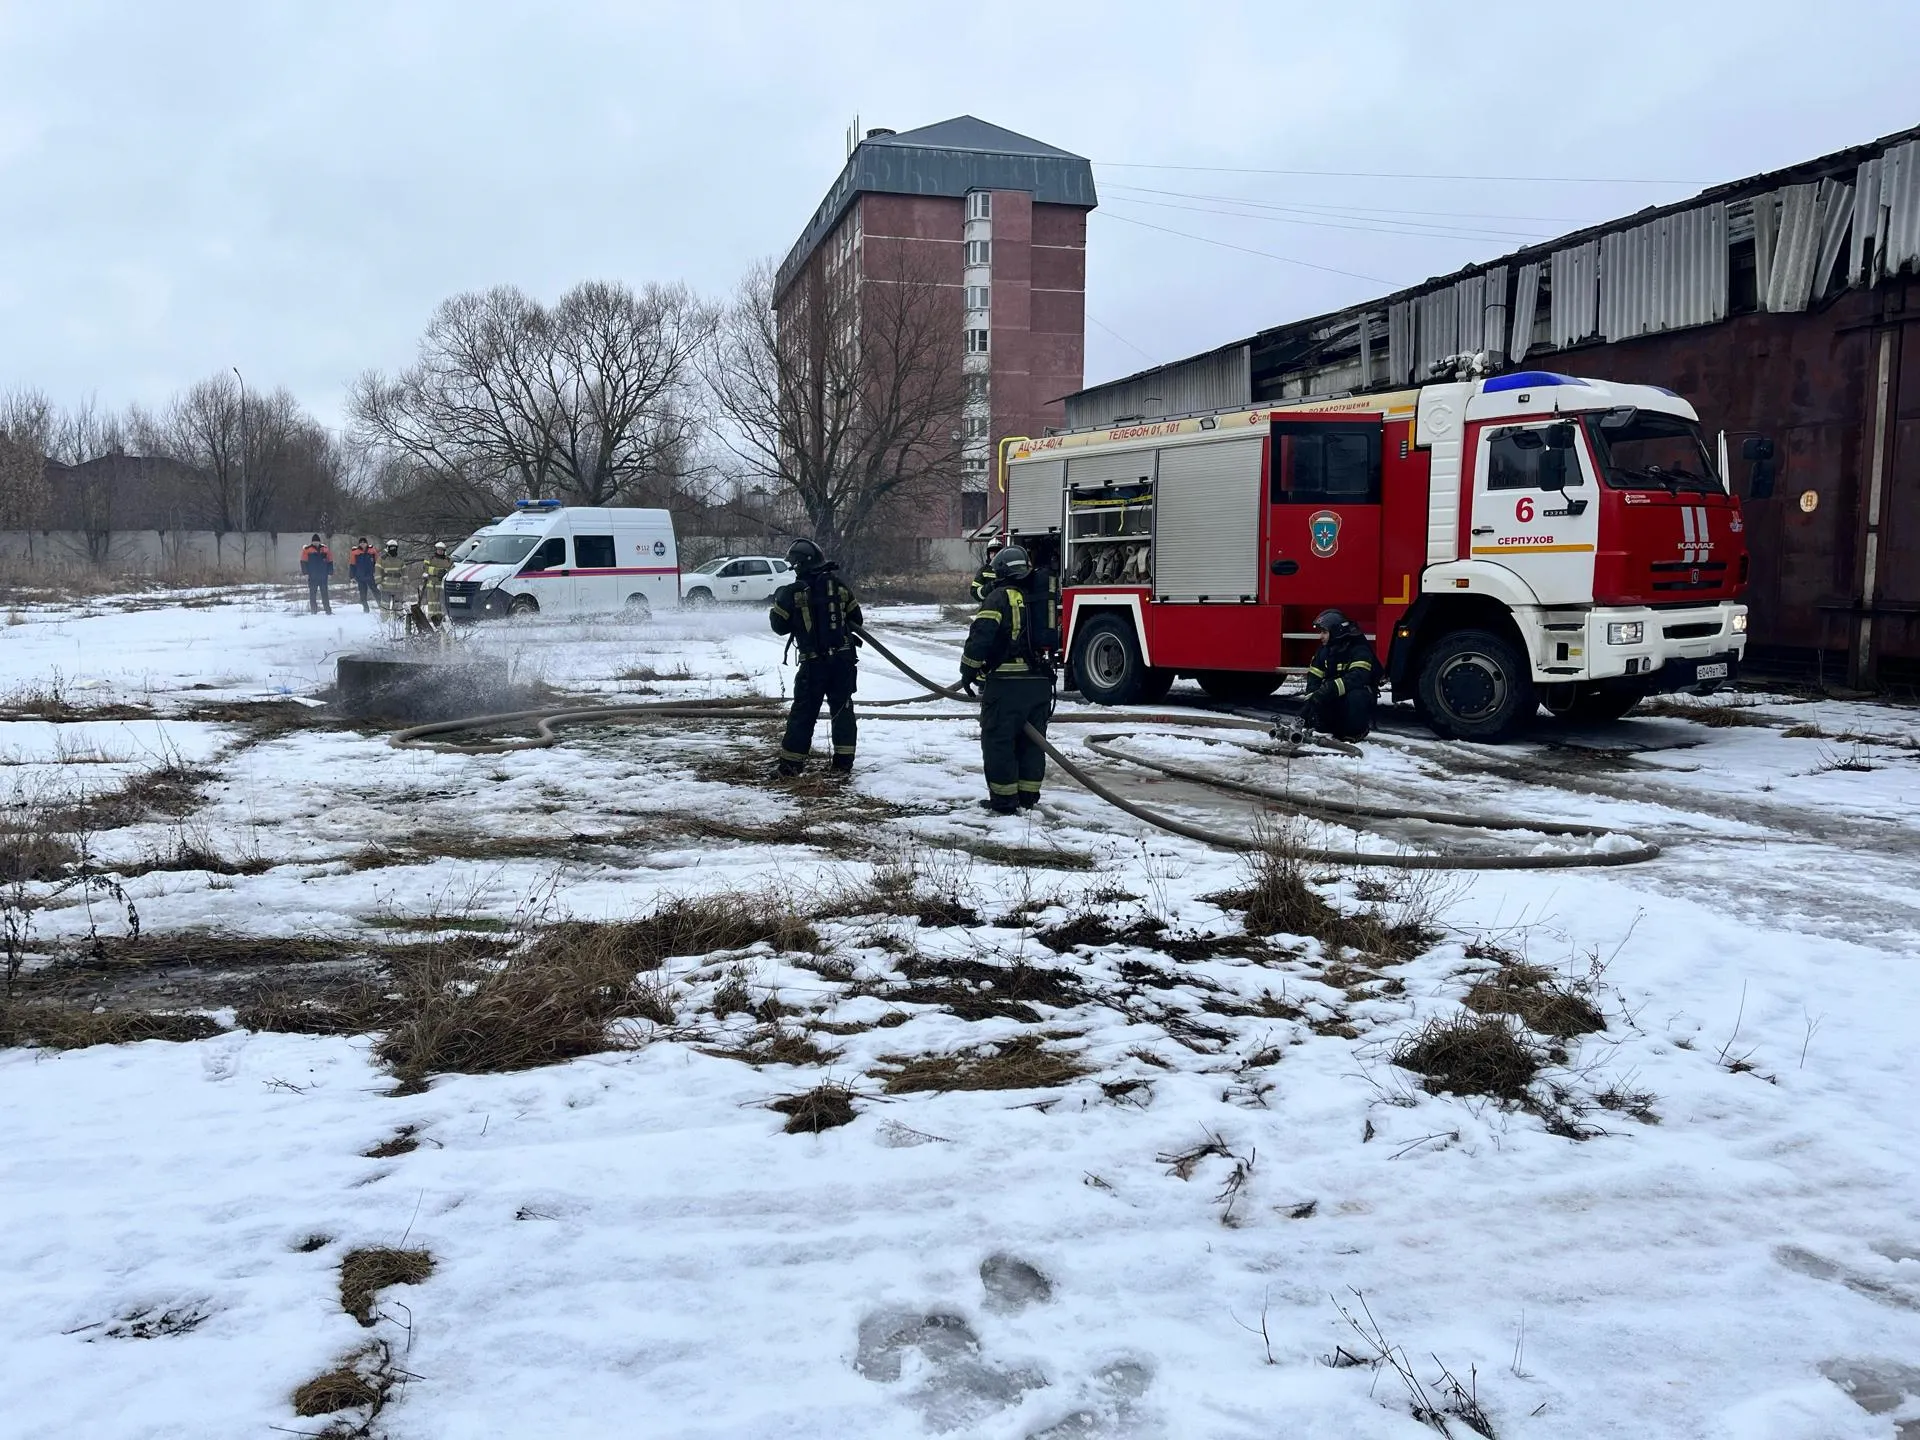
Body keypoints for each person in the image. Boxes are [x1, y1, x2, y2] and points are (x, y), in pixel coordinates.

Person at [960, 544, 1054, 813]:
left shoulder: (999, 597)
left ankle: (1004, 801)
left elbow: (981, 637)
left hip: (1006, 684)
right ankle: (1027, 797)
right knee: (1032, 743)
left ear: (1000, 571)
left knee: (998, 740)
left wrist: (968, 671)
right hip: (1039, 684)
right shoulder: (1039, 596)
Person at [768, 538, 863, 777]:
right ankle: (843, 765)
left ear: (799, 565)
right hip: (843, 661)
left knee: (803, 713)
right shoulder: (839, 587)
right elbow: (857, 619)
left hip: (813, 664)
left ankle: (790, 767)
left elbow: (779, 626)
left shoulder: (793, 592)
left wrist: (780, 604)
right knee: (843, 710)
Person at [1299, 608, 1380, 741]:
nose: (1320, 636)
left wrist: (1329, 689)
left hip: (1353, 698)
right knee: (1318, 704)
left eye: (1324, 632)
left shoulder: (1359, 650)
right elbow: (1313, 680)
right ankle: (1325, 728)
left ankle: (1355, 732)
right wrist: (1310, 706)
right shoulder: (1324, 652)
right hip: (1334, 698)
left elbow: (1358, 677)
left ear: (1337, 631)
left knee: (1357, 695)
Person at [298, 534, 334, 614]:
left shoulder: (325, 549)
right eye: (314, 541)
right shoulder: (307, 550)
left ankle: (328, 610)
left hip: (323, 576)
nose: (315, 543)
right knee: (312, 594)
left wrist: (330, 573)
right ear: (312, 542)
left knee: (325, 594)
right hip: (312, 576)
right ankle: (314, 611)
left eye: (317, 541)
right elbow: (303, 562)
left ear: (319, 541)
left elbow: (330, 561)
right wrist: (305, 573)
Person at [968, 536, 1006, 602]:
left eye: (997, 552)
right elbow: (974, 592)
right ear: (988, 554)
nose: (994, 555)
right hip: (989, 606)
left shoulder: (1007, 569)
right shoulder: (984, 571)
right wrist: (989, 588)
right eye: (991, 552)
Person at [421, 541, 450, 623]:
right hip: (432, 585)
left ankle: (441, 619)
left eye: (442, 550)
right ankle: (431, 618)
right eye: (438, 550)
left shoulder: (448, 560)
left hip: (442, 585)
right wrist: (437, 571)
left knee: (441, 603)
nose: (440, 551)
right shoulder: (430, 558)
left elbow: (453, 569)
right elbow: (425, 568)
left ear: (444, 550)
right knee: (432, 602)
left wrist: (445, 571)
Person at [348, 537, 379, 612]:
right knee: (362, 594)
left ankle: (381, 606)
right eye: (361, 543)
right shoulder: (355, 552)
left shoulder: (372, 551)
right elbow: (352, 565)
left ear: (366, 543)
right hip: (360, 576)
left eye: (364, 542)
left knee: (376, 591)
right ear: (359, 544)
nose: (362, 544)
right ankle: (366, 609)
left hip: (370, 575)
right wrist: (352, 576)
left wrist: (378, 573)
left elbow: (377, 563)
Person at [377, 540, 407, 615]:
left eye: (394, 548)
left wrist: (406, 583)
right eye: (391, 548)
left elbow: (404, 572)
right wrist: (378, 583)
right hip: (385, 586)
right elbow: (377, 571)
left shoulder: (400, 559)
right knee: (385, 606)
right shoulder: (382, 559)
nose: (393, 549)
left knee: (398, 606)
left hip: (398, 587)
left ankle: (398, 622)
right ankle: (384, 622)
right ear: (387, 548)